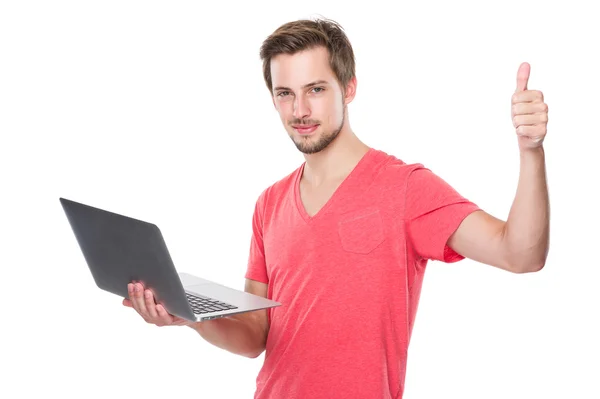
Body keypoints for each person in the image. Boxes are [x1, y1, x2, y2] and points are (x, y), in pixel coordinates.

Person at [123, 17, 550, 399]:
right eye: (285, 93)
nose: (300, 110)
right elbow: (255, 336)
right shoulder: (269, 204)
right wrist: (192, 316)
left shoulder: (404, 187)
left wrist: (530, 151)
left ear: (349, 88)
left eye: (316, 90)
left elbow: (521, 253)